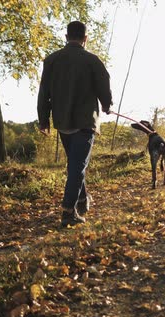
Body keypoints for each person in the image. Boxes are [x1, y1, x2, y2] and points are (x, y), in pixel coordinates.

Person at [37, 21, 112, 227]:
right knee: (77, 167)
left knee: (76, 165)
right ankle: (68, 212)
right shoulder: (92, 60)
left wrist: (43, 120)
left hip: (62, 121)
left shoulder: (51, 61)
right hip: (85, 121)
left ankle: (81, 200)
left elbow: (44, 92)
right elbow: (103, 84)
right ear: (85, 38)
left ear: (66, 37)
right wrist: (106, 104)